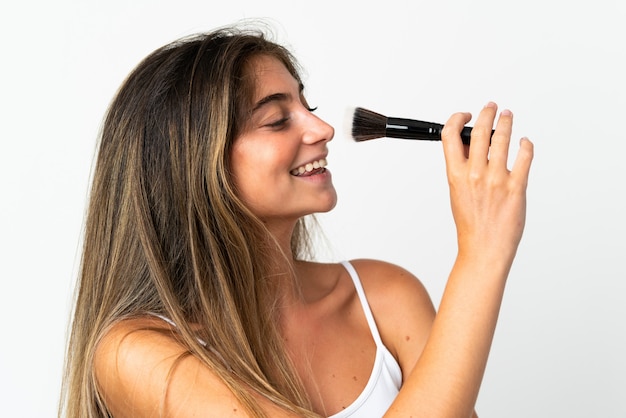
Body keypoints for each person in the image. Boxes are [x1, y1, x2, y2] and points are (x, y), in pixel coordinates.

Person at [60, 25, 533, 418]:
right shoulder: (136, 353)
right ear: (192, 164)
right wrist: (482, 256)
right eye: (276, 119)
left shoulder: (385, 298)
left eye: (308, 107)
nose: (322, 129)